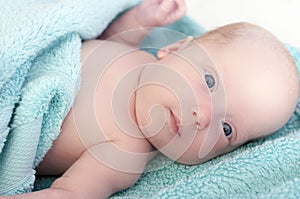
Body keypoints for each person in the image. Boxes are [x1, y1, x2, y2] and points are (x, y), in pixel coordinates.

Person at [3, 0, 299, 198]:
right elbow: (104, 40)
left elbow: (68, 194)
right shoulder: (131, 53)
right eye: (209, 82)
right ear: (175, 49)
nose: (204, 116)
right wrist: (140, 18)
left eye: (226, 129)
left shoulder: (123, 154)